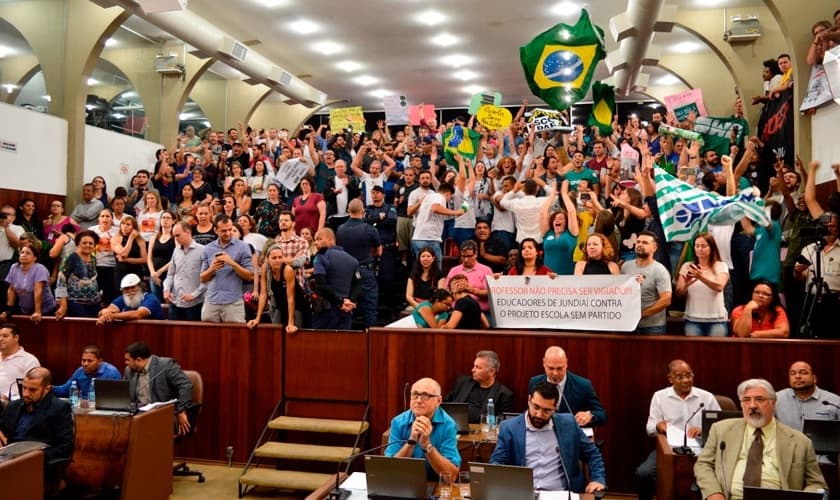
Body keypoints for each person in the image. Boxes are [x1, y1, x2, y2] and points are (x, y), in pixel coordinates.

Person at [694, 378, 827, 499]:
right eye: (746, 400)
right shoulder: (721, 430)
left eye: (759, 399)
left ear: (773, 403)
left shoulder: (800, 442)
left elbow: (816, 483)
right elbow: (703, 464)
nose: (752, 405)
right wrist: (714, 493)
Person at [490, 381, 606, 493]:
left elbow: (592, 453)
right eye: (536, 407)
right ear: (529, 400)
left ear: (555, 408)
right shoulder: (509, 427)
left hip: (562, 493)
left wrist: (598, 479)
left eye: (546, 411)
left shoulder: (569, 424)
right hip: (525, 493)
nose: (539, 415)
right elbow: (497, 461)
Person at [635, 360, 721, 500]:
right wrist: (658, 426)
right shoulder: (659, 397)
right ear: (670, 379)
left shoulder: (706, 397)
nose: (686, 380)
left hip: (702, 449)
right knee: (643, 473)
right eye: (680, 377)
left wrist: (703, 430)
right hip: (669, 449)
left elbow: (722, 426)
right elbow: (649, 428)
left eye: (689, 375)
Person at [0, 367, 74, 488]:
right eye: (24, 388)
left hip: (36, 464)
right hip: (7, 460)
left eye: (32, 390)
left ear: (47, 389)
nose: (25, 394)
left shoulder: (58, 408)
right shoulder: (13, 406)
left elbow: (65, 447)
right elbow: (4, 432)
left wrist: (33, 457)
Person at [384, 377, 461, 480]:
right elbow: (390, 470)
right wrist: (411, 441)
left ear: (438, 401)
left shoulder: (448, 425)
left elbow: (451, 477)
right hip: (404, 481)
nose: (419, 400)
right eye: (415, 394)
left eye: (425, 395)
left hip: (434, 483)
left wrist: (427, 445)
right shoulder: (398, 422)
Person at [123, 341, 193, 435]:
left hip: (162, 414)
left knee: (141, 429)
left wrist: (181, 411)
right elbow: (124, 395)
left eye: (128, 360)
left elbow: (185, 385)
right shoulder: (129, 371)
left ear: (138, 359)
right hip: (138, 414)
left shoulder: (165, 365)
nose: (126, 363)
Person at [527, 346, 607, 427]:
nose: (555, 373)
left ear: (566, 364)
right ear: (544, 363)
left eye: (559, 368)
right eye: (551, 368)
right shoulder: (534, 382)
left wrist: (590, 416)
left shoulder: (583, 385)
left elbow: (601, 414)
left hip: (570, 431)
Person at [199, 214, 255, 323]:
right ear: (216, 230)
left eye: (230, 229)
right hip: (211, 300)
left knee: (235, 333)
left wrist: (232, 263)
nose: (228, 233)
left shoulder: (243, 247)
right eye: (224, 231)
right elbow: (202, 278)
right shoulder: (208, 249)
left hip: (233, 302)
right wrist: (212, 268)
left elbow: (249, 276)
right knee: (208, 332)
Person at [337, 199, 381, 327]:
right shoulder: (369, 229)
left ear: (348, 210)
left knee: (347, 304)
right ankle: (370, 333)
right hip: (365, 269)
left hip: (346, 272)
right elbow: (379, 251)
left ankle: (348, 333)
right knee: (369, 305)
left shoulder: (340, 229)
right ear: (363, 211)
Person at [675, 232, 730, 337]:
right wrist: (687, 284)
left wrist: (700, 277)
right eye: (697, 246)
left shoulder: (720, 266)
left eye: (704, 246)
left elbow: (719, 286)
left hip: (716, 320)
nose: (700, 249)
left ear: (711, 248)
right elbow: (678, 293)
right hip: (693, 319)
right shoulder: (687, 266)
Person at [248, 244, 309, 332]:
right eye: (274, 258)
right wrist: (257, 318)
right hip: (280, 305)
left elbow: (290, 298)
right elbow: (263, 294)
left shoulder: (287, 270)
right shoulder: (265, 268)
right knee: (275, 330)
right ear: (268, 259)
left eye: (280, 257)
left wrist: (291, 323)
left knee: (294, 332)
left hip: (297, 305)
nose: (277, 260)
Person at [621, 231, 672, 334]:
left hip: (652, 326)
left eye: (645, 243)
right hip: (629, 324)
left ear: (654, 248)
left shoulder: (660, 270)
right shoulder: (626, 267)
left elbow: (666, 300)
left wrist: (642, 314)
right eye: (638, 242)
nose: (640, 244)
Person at [444, 350, 515, 423]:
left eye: (478, 367)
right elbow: (446, 405)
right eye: (474, 366)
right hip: (456, 426)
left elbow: (503, 423)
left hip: (483, 429)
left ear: (492, 371)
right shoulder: (462, 383)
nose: (473, 370)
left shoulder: (503, 394)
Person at [310, 228, 360, 330]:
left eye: (319, 239)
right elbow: (358, 285)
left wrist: (340, 302)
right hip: (346, 311)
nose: (315, 243)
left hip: (326, 312)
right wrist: (349, 301)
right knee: (343, 339)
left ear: (330, 240)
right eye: (315, 240)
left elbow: (321, 284)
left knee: (321, 340)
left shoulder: (321, 257)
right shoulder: (353, 260)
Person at [411, 182, 467, 266]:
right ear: (448, 194)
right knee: (436, 268)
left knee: (422, 268)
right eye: (450, 197)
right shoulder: (440, 197)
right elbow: (435, 208)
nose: (449, 200)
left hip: (418, 238)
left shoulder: (429, 197)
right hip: (429, 239)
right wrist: (456, 212)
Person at [774, 361, 840, 431]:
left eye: (803, 372)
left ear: (814, 378)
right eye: (793, 373)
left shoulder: (834, 401)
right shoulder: (776, 399)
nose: (797, 376)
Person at [163, 221, 206, 321]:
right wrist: (166, 289)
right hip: (175, 301)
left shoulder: (202, 250)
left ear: (188, 232)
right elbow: (170, 275)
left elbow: (207, 278)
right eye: (174, 236)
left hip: (194, 303)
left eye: (178, 235)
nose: (176, 238)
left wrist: (194, 295)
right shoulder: (176, 250)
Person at [1, 245, 56, 324]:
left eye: (28, 253)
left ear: (35, 258)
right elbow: (11, 290)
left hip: (45, 309)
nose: (24, 255)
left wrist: (37, 312)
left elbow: (38, 291)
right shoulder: (14, 267)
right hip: (25, 308)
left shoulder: (40, 269)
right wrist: (8, 310)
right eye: (22, 252)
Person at [54, 230, 101, 319]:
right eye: (84, 243)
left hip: (94, 303)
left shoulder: (93, 258)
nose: (88, 245)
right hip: (75, 303)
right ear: (78, 243)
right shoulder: (71, 258)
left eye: (91, 243)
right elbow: (61, 281)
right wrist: (63, 306)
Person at [52, 345, 121, 399]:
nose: (85, 364)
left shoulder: (111, 373)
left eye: (89, 361)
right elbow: (64, 390)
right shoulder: (80, 371)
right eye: (83, 360)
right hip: (84, 406)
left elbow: (118, 398)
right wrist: (49, 388)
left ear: (100, 361)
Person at [445, 240, 493, 315]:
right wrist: (454, 290)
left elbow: (489, 292)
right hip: (456, 311)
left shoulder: (486, 270)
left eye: (469, 256)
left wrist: (470, 290)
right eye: (463, 256)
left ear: (476, 254)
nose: (466, 259)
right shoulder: (454, 270)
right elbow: (445, 292)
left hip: (480, 312)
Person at [96, 273, 164, 324]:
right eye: (126, 289)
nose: (130, 291)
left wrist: (112, 315)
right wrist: (105, 312)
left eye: (133, 287)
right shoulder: (123, 298)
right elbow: (109, 309)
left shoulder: (151, 298)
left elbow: (138, 314)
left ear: (140, 287)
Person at [0, 323, 40, 401]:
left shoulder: (29, 360)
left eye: (5, 336)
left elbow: (33, 387)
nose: (0, 339)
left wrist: (6, 397)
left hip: (13, 403)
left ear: (16, 337)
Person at [147, 211, 176, 302]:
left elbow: (176, 258)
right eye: (163, 217)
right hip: (155, 274)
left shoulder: (175, 238)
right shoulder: (154, 237)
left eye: (168, 218)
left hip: (169, 274)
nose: (165, 220)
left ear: (173, 221)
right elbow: (149, 258)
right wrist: (153, 273)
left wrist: (160, 271)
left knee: (169, 301)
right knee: (156, 301)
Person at [405, 247, 446, 311]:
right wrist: (418, 306)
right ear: (419, 258)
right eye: (423, 256)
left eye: (428, 256)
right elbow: (408, 296)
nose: (425, 259)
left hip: (432, 306)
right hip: (415, 305)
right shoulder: (413, 274)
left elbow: (440, 296)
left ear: (433, 258)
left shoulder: (440, 275)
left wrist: (429, 307)